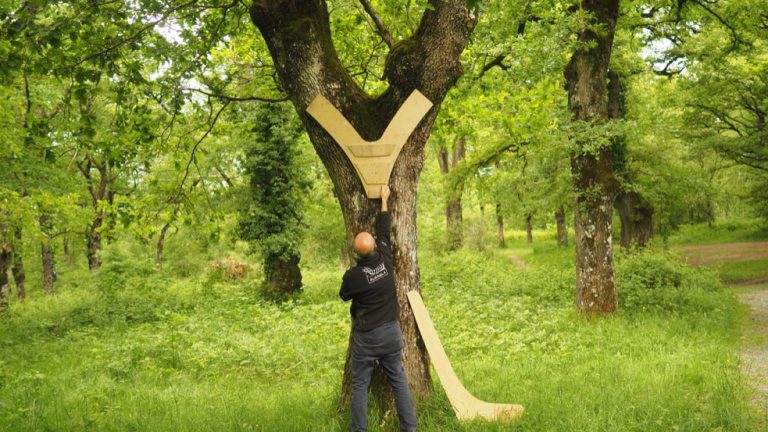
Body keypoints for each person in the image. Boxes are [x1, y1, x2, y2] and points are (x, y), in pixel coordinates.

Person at [339, 185, 417, 432]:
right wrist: (385, 200)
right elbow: (384, 229)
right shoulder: (385, 257)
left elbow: (344, 295)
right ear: (374, 247)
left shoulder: (354, 276)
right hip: (391, 333)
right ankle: (410, 428)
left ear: (356, 254)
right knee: (399, 380)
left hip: (367, 337)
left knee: (360, 384)